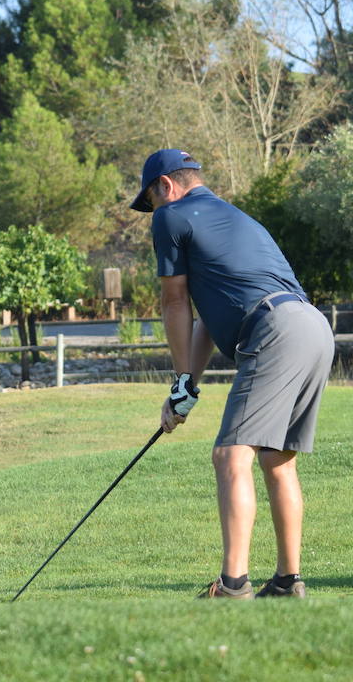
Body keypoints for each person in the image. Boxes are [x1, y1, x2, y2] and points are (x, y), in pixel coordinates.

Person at [131, 149, 335, 599]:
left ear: (166, 186)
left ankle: (233, 584)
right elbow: (205, 321)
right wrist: (188, 387)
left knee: (230, 457)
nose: (154, 212)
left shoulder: (171, 218)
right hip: (314, 327)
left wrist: (180, 382)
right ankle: (286, 581)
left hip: (275, 329)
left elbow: (174, 303)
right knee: (276, 459)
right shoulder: (237, 219)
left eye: (152, 199)